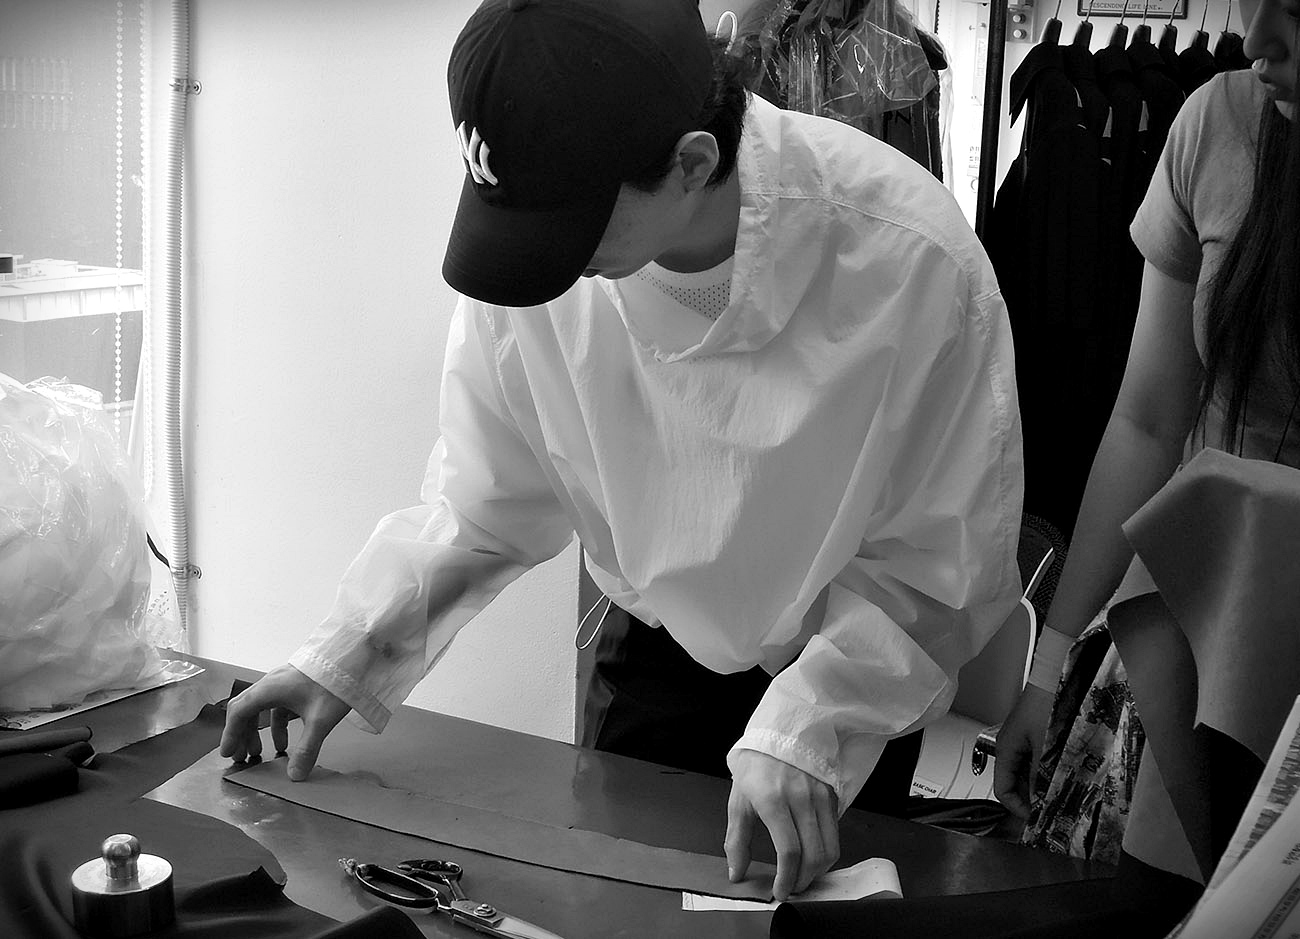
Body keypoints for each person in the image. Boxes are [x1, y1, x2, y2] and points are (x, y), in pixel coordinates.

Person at [220, 0, 1024, 901]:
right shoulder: (537, 256)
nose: (549, 259)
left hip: (851, 660)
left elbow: (937, 568)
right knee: (622, 904)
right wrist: (344, 653)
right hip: (657, 653)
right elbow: (482, 501)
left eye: (575, 225)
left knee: (808, 909)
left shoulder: (913, 259)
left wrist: (812, 725)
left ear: (693, 163)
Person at [995, 0, 1300, 870]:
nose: (1257, 40)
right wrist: (1049, 668)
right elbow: (1148, 420)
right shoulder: (1217, 123)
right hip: (1189, 643)